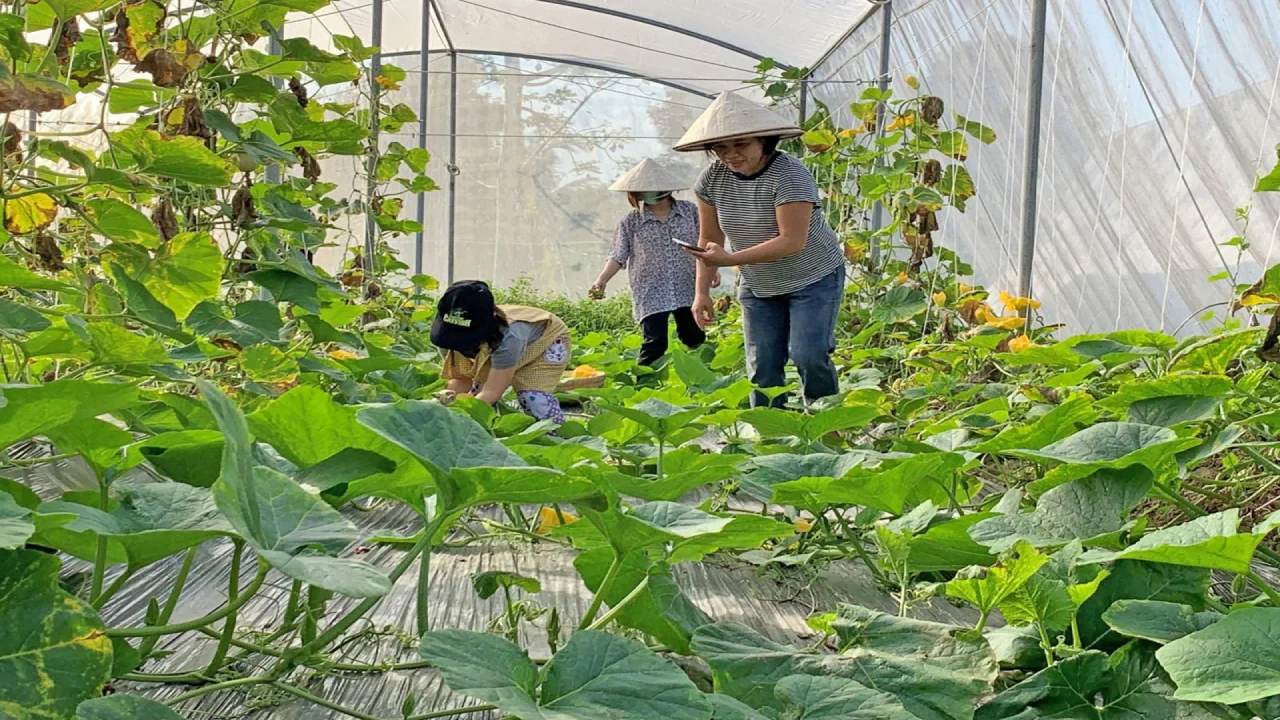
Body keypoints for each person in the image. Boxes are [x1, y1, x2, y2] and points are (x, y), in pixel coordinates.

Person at [673, 91, 846, 408]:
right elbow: (709, 239)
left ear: (764, 141)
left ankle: (827, 429)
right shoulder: (712, 178)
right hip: (759, 283)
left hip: (813, 277)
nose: (730, 154)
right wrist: (701, 294)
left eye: (741, 145)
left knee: (808, 354)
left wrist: (730, 260)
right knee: (762, 364)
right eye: (721, 147)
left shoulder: (790, 175)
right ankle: (771, 439)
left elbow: (791, 241)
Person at [590, 159, 716, 368]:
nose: (648, 194)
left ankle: (705, 379)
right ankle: (644, 383)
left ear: (665, 189)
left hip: (687, 284)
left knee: (694, 337)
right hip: (651, 289)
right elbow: (618, 255)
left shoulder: (689, 212)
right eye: (642, 190)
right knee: (655, 341)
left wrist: (711, 268)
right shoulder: (631, 221)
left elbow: (705, 241)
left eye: (652, 189)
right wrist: (601, 280)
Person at [431, 280, 570, 424]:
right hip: (500, 344)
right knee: (476, 390)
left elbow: (491, 392)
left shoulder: (509, 337)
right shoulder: (445, 336)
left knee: (532, 398)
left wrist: (462, 416)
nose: (457, 342)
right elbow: (461, 379)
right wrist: (448, 404)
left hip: (545, 342)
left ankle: (553, 434)